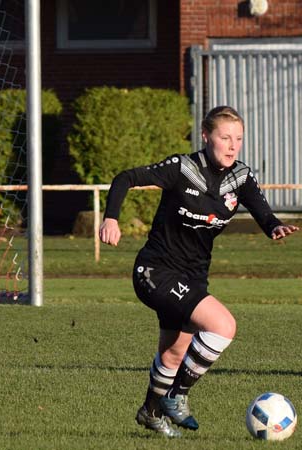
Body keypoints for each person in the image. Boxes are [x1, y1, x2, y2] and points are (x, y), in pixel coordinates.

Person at [99, 106, 298, 438]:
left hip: (192, 276)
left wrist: (275, 226)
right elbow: (125, 178)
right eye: (225, 137)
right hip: (155, 271)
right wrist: (111, 218)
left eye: (238, 139)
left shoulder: (240, 177)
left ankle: (150, 411)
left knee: (174, 352)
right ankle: (176, 395)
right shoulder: (183, 168)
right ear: (206, 136)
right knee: (223, 326)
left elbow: (263, 213)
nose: (232, 145)